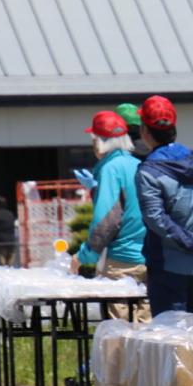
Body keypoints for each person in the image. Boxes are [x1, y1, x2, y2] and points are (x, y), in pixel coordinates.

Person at [134, 95, 193, 315]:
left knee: (171, 341)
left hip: (167, 268)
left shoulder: (148, 171)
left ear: (145, 131)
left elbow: (156, 219)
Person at [72, 110, 150, 322]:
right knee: (147, 332)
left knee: (120, 335)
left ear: (98, 142)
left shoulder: (110, 169)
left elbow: (107, 220)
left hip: (122, 262)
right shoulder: (137, 164)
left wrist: (85, 255)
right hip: (148, 258)